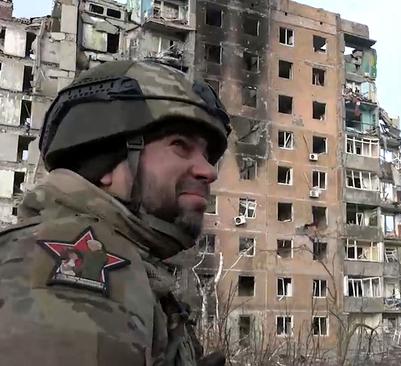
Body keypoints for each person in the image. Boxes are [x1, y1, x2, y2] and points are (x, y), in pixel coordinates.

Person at [0, 60, 231, 366]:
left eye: (207, 155)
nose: (208, 171)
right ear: (107, 161)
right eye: (180, 145)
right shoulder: (76, 259)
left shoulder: (127, 261)